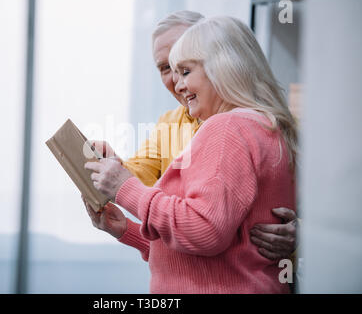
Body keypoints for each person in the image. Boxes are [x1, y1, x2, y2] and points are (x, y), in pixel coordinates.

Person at [84, 16, 297, 293]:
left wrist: (123, 186)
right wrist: (126, 228)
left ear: (222, 67)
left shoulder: (227, 127)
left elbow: (205, 231)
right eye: (167, 69)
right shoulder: (266, 125)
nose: (177, 83)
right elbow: (220, 248)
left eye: (185, 71)